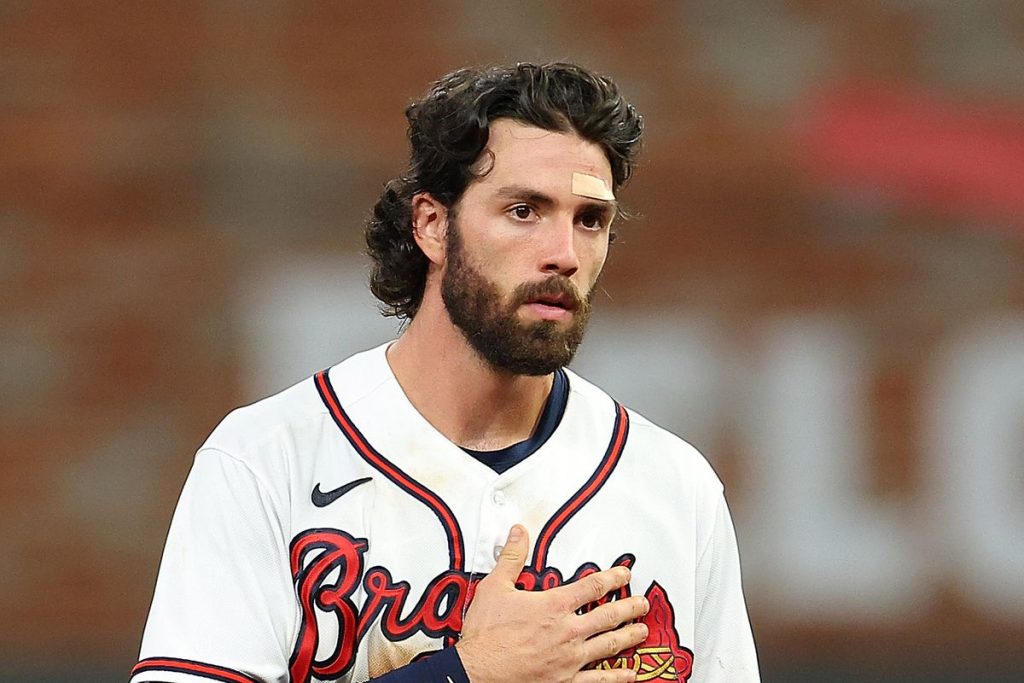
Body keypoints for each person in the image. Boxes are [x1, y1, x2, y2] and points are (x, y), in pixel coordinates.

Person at [132, 62, 760, 683]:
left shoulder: (676, 489)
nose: (565, 254)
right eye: (524, 210)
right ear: (432, 225)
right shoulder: (268, 459)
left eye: (589, 220)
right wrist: (467, 673)